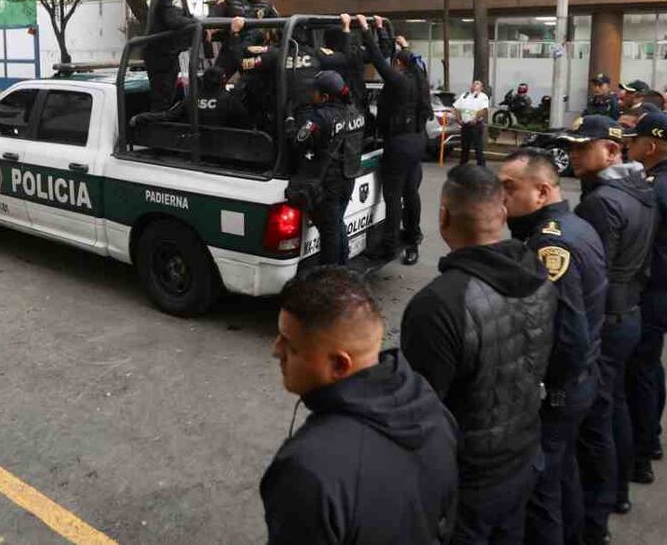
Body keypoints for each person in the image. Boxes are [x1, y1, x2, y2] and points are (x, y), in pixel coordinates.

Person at [401, 164, 556, 544]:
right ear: (502, 215)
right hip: (522, 456)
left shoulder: (440, 304)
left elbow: (420, 414)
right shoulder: (538, 271)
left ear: (443, 217)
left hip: (468, 482)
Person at [261, 267, 459, 544]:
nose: (275, 350)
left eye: (289, 344)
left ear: (339, 364)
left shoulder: (308, 470)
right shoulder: (433, 410)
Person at [497, 149, 608, 545]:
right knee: (562, 476)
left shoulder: (549, 245)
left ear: (542, 192)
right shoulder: (574, 225)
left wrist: (545, 388)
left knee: (541, 491)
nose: (501, 198)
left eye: (509, 189)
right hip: (580, 380)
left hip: (561, 389)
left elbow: (567, 335)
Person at [560, 116, 655, 544]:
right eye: (572, 147)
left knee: (599, 417)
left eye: (584, 147)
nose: (574, 154)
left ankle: (601, 503)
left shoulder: (600, 202)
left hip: (610, 318)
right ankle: (616, 490)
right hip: (628, 309)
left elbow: (591, 273)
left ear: (613, 151)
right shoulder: (635, 187)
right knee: (613, 404)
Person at [623, 112, 667, 485]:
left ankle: (639, 453)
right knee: (649, 368)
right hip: (666, 286)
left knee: (637, 375)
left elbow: (637, 243)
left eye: (633, 140)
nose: (628, 146)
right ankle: (650, 440)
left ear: (649, 147)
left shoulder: (653, 188)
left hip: (650, 290)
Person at [358, 14, 434, 266]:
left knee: (393, 196)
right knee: (411, 192)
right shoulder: (420, 78)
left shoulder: (399, 81)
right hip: (417, 141)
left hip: (400, 144)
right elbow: (404, 56)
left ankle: (389, 245)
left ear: (399, 65)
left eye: (396, 62)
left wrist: (365, 30)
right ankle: (413, 238)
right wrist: (383, 30)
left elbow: (378, 61)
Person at [286, 71, 365, 266]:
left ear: (326, 96)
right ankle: (342, 267)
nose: (311, 94)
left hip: (330, 183)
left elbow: (298, 141)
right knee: (337, 226)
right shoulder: (355, 111)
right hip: (348, 177)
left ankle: (331, 276)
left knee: (330, 232)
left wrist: (289, 119)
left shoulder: (321, 117)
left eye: (315, 91)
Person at [143, 0, 203, 112]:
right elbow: (174, 20)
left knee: (163, 98)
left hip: (159, 55)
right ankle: (159, 131)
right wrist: (197, 24)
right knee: (163, 101)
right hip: (163, 57)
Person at [454, 80, 491, 166]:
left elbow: (484, 110)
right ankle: (462, 165)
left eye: (477, 84)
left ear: (481, 88)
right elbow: (456, 108)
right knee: (464, 147)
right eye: (473, 84)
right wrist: (458, 119)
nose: (474, 85)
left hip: (475, 125)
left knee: (478, 147)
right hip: (465, 125)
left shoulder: (482, 96)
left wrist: (475, 119)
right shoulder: (465, 95)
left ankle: (481, 166)